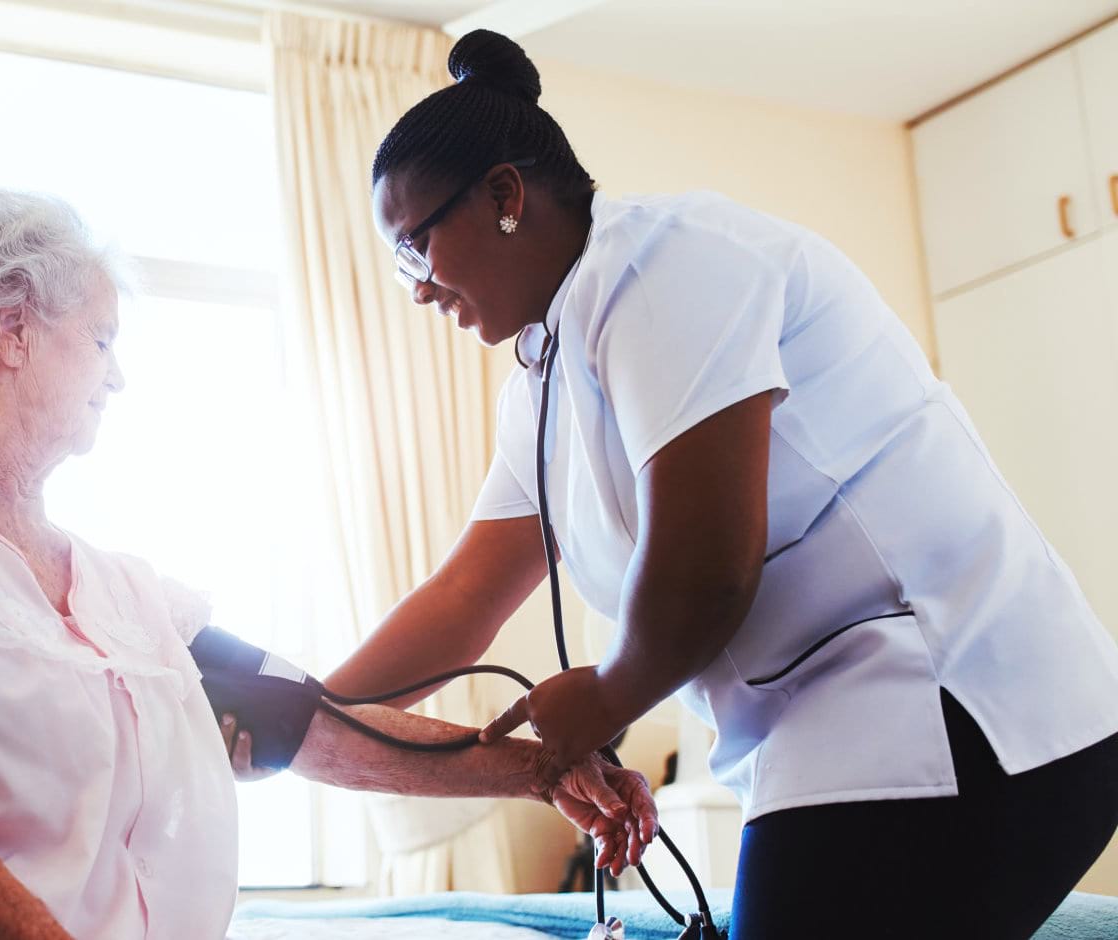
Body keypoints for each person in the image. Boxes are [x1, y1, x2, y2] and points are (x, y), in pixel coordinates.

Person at [320, 27, 1118, 937]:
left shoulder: (670, 266)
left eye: (415, 245)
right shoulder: (541, 383)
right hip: (830, 733)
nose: (417, 288)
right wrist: (306, 713)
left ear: (504, 195)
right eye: (399, 264)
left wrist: (610, 695)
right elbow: (466, 595)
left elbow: (708, 571)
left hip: (961, 706)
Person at [0, 186, 655, 939]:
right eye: (101, 339)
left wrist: (547, 769)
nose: (117, 377)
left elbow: (321, 724)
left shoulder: (125, 596)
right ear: (14, 330)